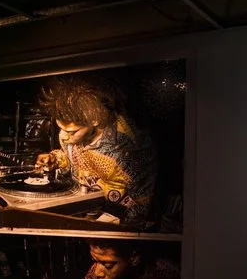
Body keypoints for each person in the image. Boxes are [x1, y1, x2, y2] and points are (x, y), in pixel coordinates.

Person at [35, 76, 157, 228]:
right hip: (83, 214)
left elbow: (140, 206)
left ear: (95, 119)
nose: (64, 137)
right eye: (61, 128)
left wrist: (108, 235)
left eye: (72, 131)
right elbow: (73, 156)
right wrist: (56, 159)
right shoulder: (73, 133)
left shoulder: (130, 150)